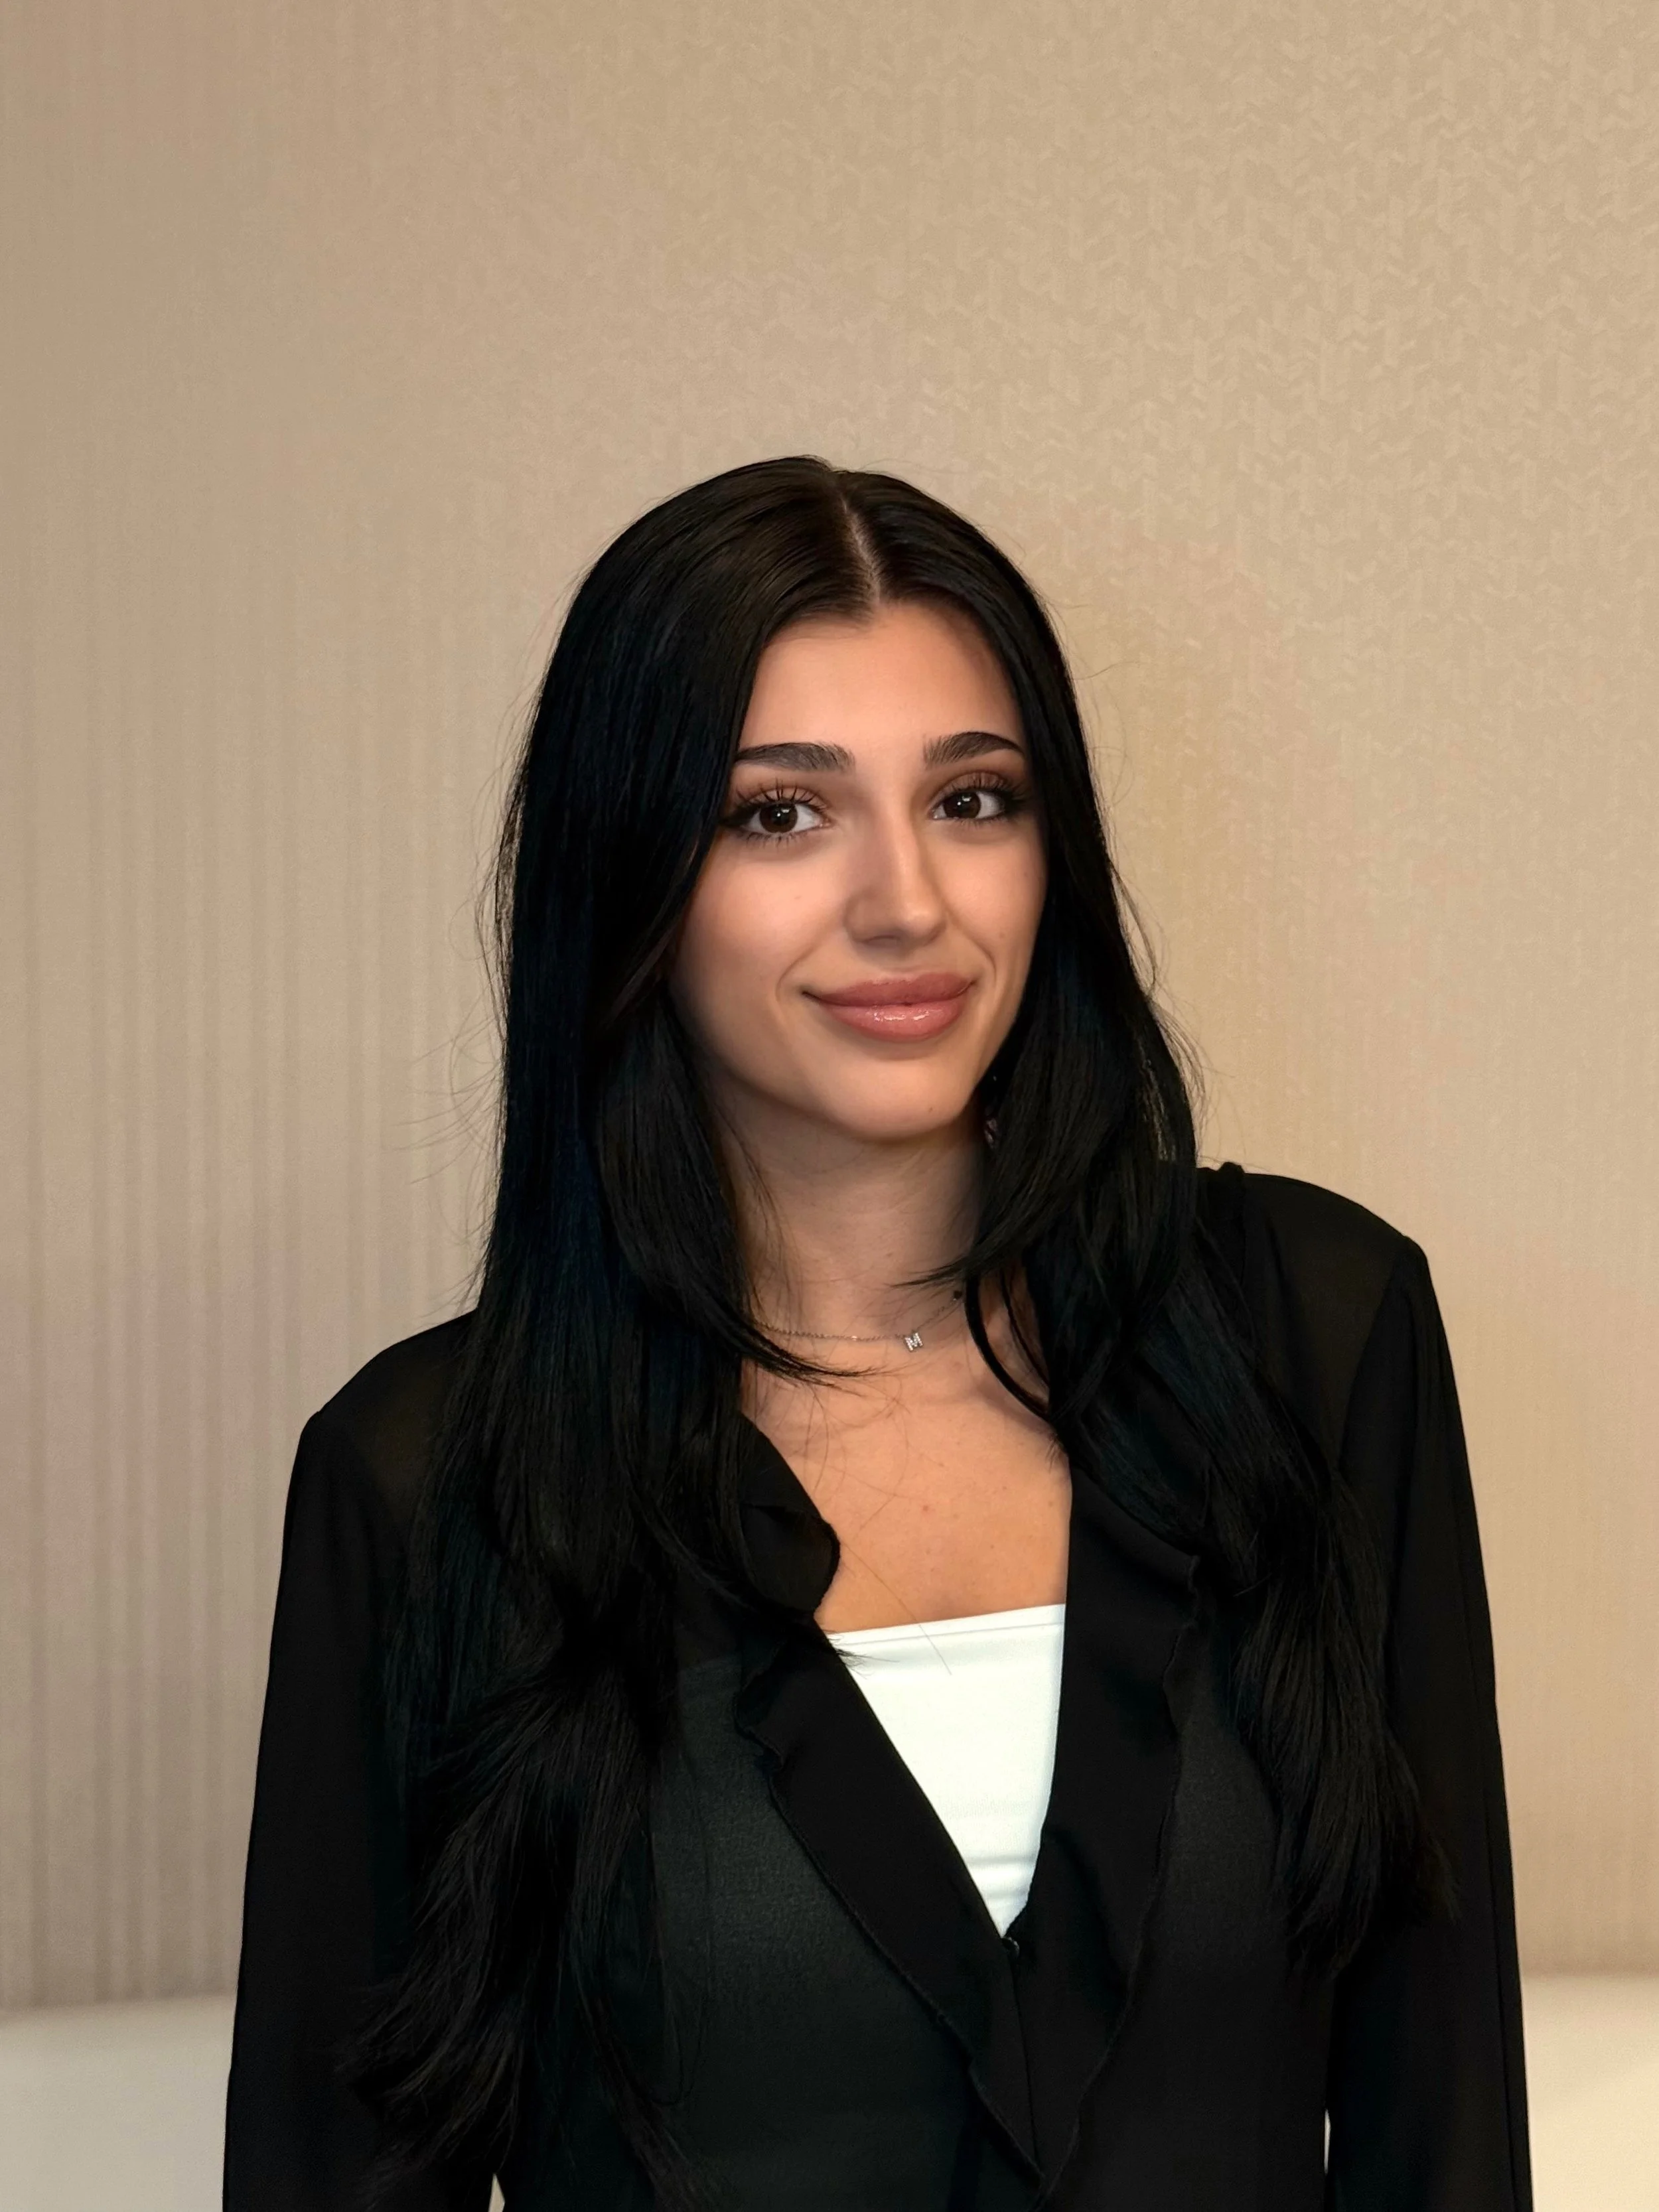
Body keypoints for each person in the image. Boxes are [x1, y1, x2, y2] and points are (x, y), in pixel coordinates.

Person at [223, 457, 1532, 2211]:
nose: (905, 900)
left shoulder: (1315, 1328)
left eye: (974, 799)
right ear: (632, 884)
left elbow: (1438, 2125)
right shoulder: (426, 1477)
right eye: (781, 814)